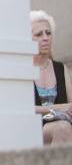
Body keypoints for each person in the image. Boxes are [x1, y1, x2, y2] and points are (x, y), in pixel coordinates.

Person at [31, 10, 72, 145]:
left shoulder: (60, 68)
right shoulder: (21, 70)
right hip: (32, 131)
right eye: (39, 34)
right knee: (62, 128)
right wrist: (59, 108)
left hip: (64, 127)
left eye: (48, 33)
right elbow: (21, 109)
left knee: (63, 127)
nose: (45, 38)